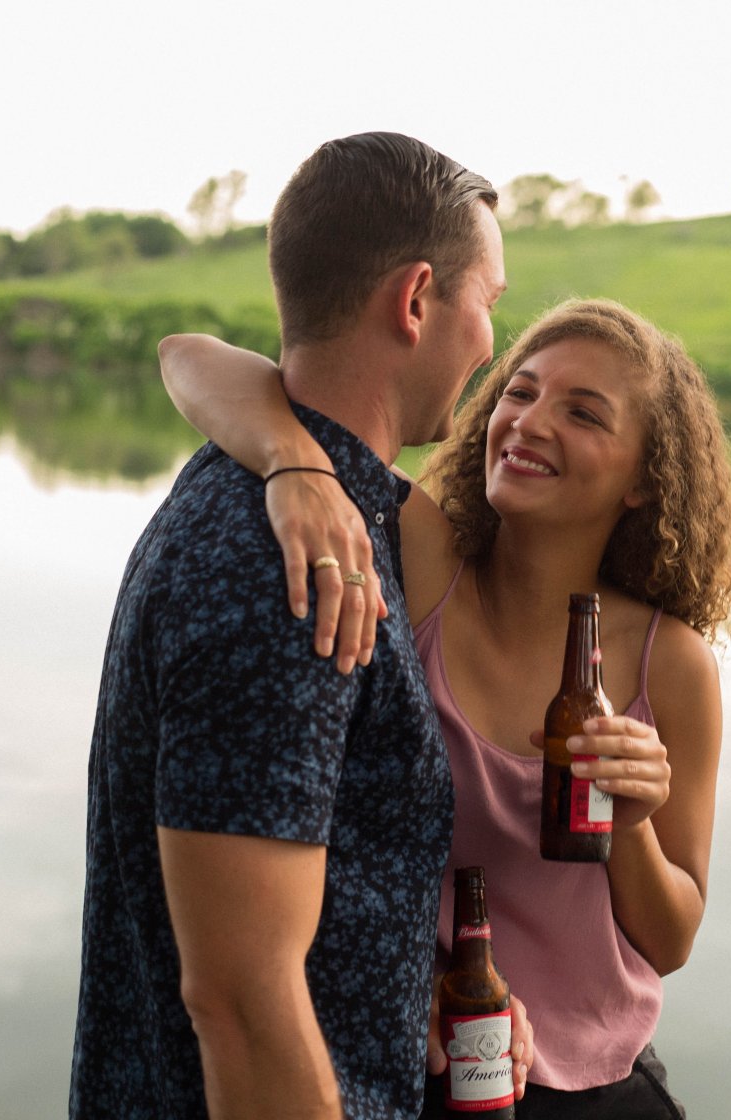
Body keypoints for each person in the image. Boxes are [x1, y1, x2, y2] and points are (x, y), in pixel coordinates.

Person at [159, 297, 731, 1118]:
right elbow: (188, 357)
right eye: (520, 391)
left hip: (596, 1091)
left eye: (582, 412)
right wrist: (294, 464)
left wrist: (632, 820)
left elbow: (671, 940)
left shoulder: (671, 663)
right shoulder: (426, 562)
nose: (530, 423)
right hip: (427, 1071)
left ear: (648, 478)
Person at [70, 131, 526, 1120]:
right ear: (415, 301)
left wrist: (410, 997)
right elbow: (240, 999)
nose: (493, 341)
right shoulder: (291, 574)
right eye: (489, 302)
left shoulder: (312, 505)